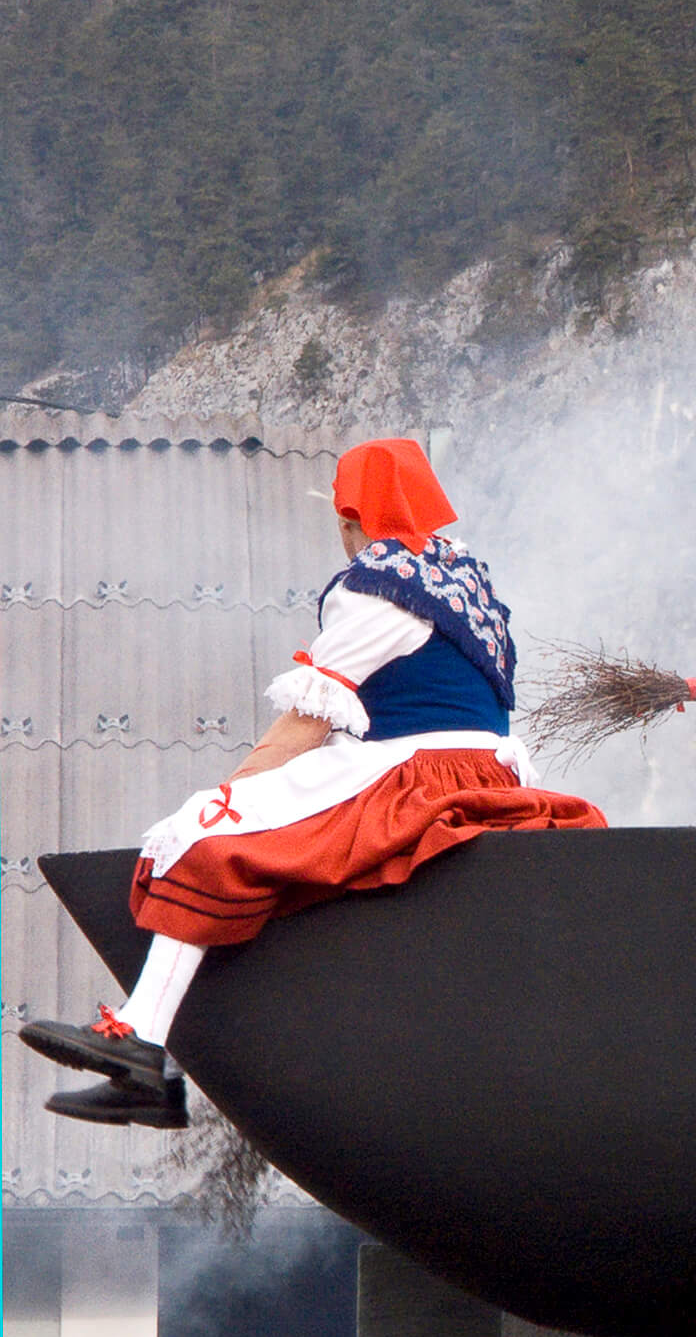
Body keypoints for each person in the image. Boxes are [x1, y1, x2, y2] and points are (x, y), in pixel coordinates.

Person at [21, 438, 607, 1128]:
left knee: (202, 838)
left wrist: (232, 791)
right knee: (243, 839)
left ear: (352, 516)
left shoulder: (376, 587)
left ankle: (144, 1048)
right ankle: (149, 1053)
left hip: (415, 774)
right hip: (492, 771)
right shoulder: (466, 578)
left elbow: (308, 720)